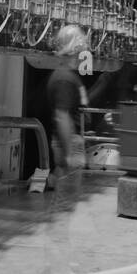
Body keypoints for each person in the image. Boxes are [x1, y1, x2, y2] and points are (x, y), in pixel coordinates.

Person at [46, 24, 89, 175]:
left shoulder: (67, 75)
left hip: (70, 142)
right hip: (67, 142)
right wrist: (69, 153)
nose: (86, 48)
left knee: (70, 193)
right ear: (75, 46)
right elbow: (62, 116)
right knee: (69, 193)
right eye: (83, 43)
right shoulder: (64, 79)